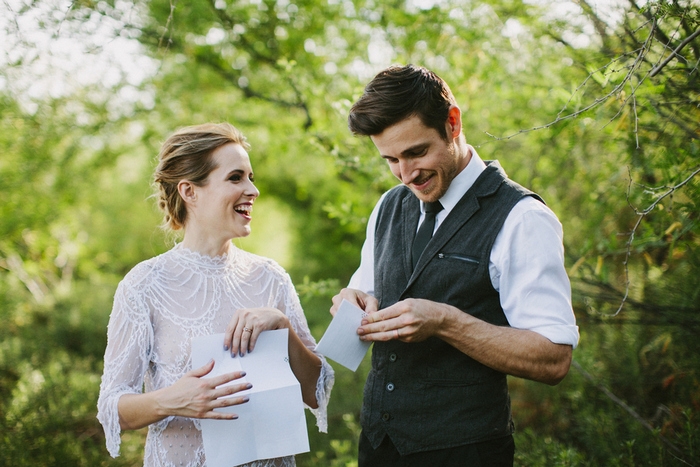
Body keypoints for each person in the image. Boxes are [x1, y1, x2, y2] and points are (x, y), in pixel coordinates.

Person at [331, 65, 579, 466]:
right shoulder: (388, 206)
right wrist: (354, 301)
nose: (406, 174)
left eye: (416, 152)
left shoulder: (522, 218)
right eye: (391, 159)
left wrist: (446, 322)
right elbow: (370, 292)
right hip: (378, 447)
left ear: (452, 122)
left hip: (467, 452)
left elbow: (553, 358)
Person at [97, 122, 334, 467]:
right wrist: (170, 401)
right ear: (190, 191)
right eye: (236, 178)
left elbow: (316, 392)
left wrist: (283, 328)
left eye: (251, 177)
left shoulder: (271, 278)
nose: (252, 190)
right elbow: (111, 410)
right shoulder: (145, 284)